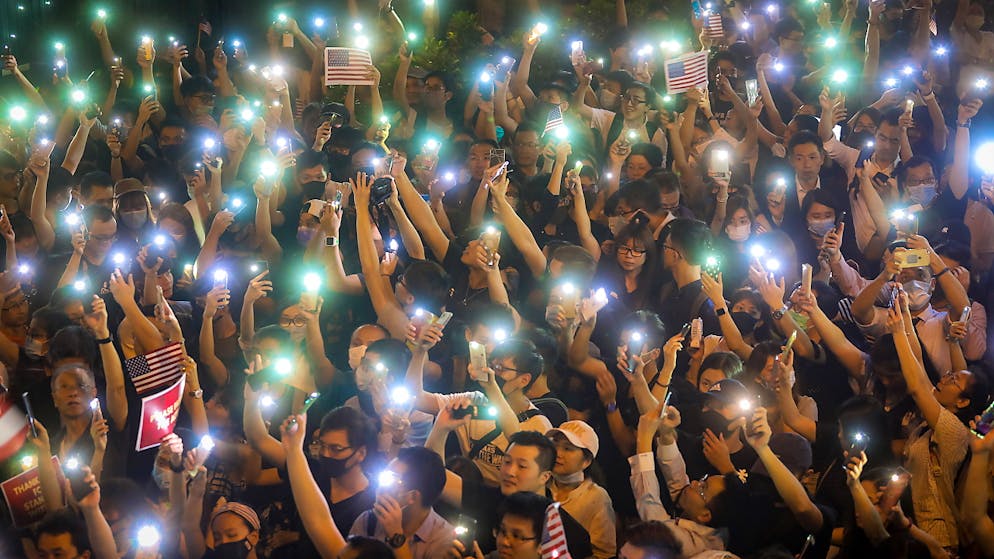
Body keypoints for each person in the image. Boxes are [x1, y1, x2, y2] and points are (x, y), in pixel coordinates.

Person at [349, 447, 455, 559]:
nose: (380, 488)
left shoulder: (444, 541)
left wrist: (396, 536)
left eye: (390, 481)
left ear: (412, 496)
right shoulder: (368, 521)